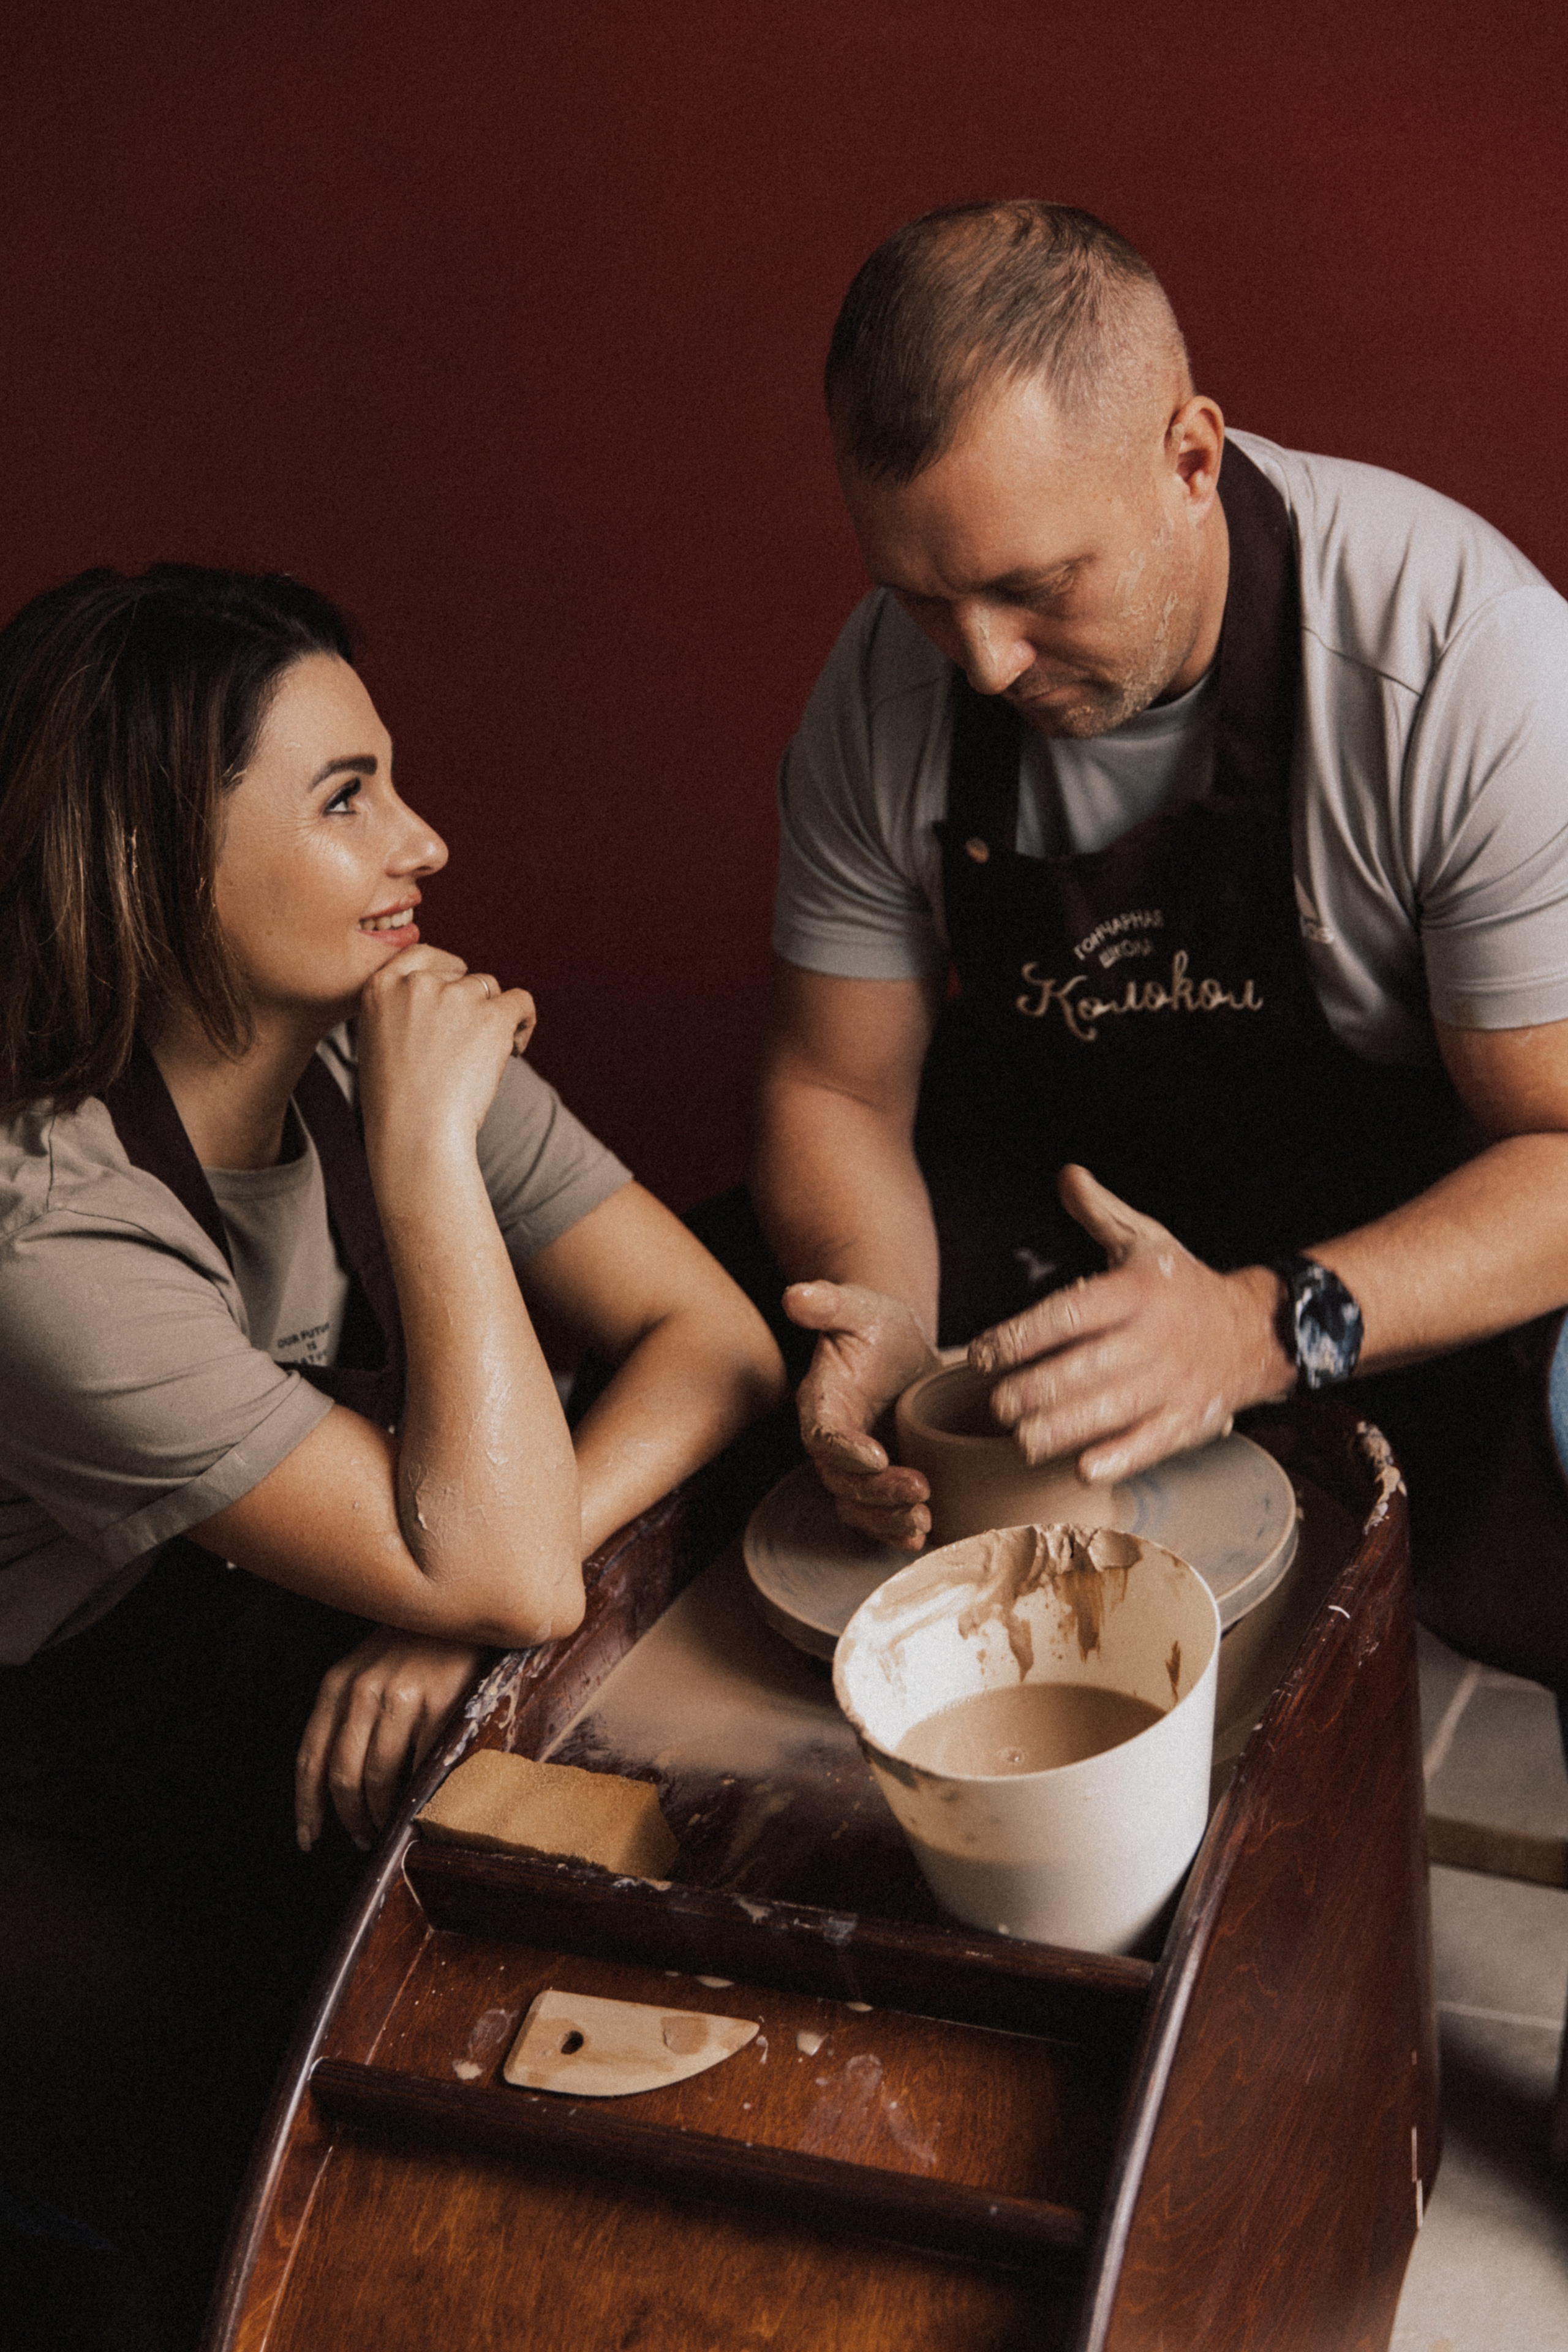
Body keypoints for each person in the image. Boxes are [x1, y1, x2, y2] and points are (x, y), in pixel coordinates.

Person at [0, 563, 785, 2346]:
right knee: (236, 2240)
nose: (423, 841)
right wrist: (431, 1163)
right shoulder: (45, 1228)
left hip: (299, 1695)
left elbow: (717, 1346)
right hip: (74, 1825)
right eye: (348, 800)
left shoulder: (384, 1040)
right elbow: (507, 1562)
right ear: (140, 862)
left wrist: (450, 1610)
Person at [750, 200, 1568, 1691]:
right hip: (1066, 1204)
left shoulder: (1464, 661)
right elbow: (834, 1090)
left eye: (1030, 587)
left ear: (1187, 459)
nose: (980, 661)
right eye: (921, 598)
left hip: (1393, 1226)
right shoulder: (884, 696)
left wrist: (1268, 1325)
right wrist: (887, 1320)